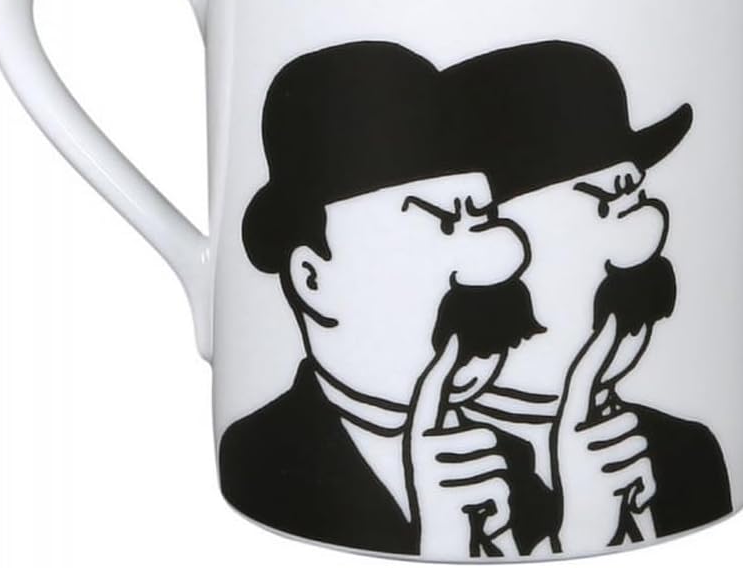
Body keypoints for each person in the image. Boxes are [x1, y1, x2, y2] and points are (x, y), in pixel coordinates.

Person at [219, 42, 555, 558]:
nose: (490, 266)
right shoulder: (258, 459)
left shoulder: (510, 463)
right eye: (438, 227)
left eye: (483, 218)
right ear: (312, 279)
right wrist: (437, 543)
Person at [443, 41, 732, 553]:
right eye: (600, 205)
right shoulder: (449, 482)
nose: (641, 244)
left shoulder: (688, 453)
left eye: (635, 197)